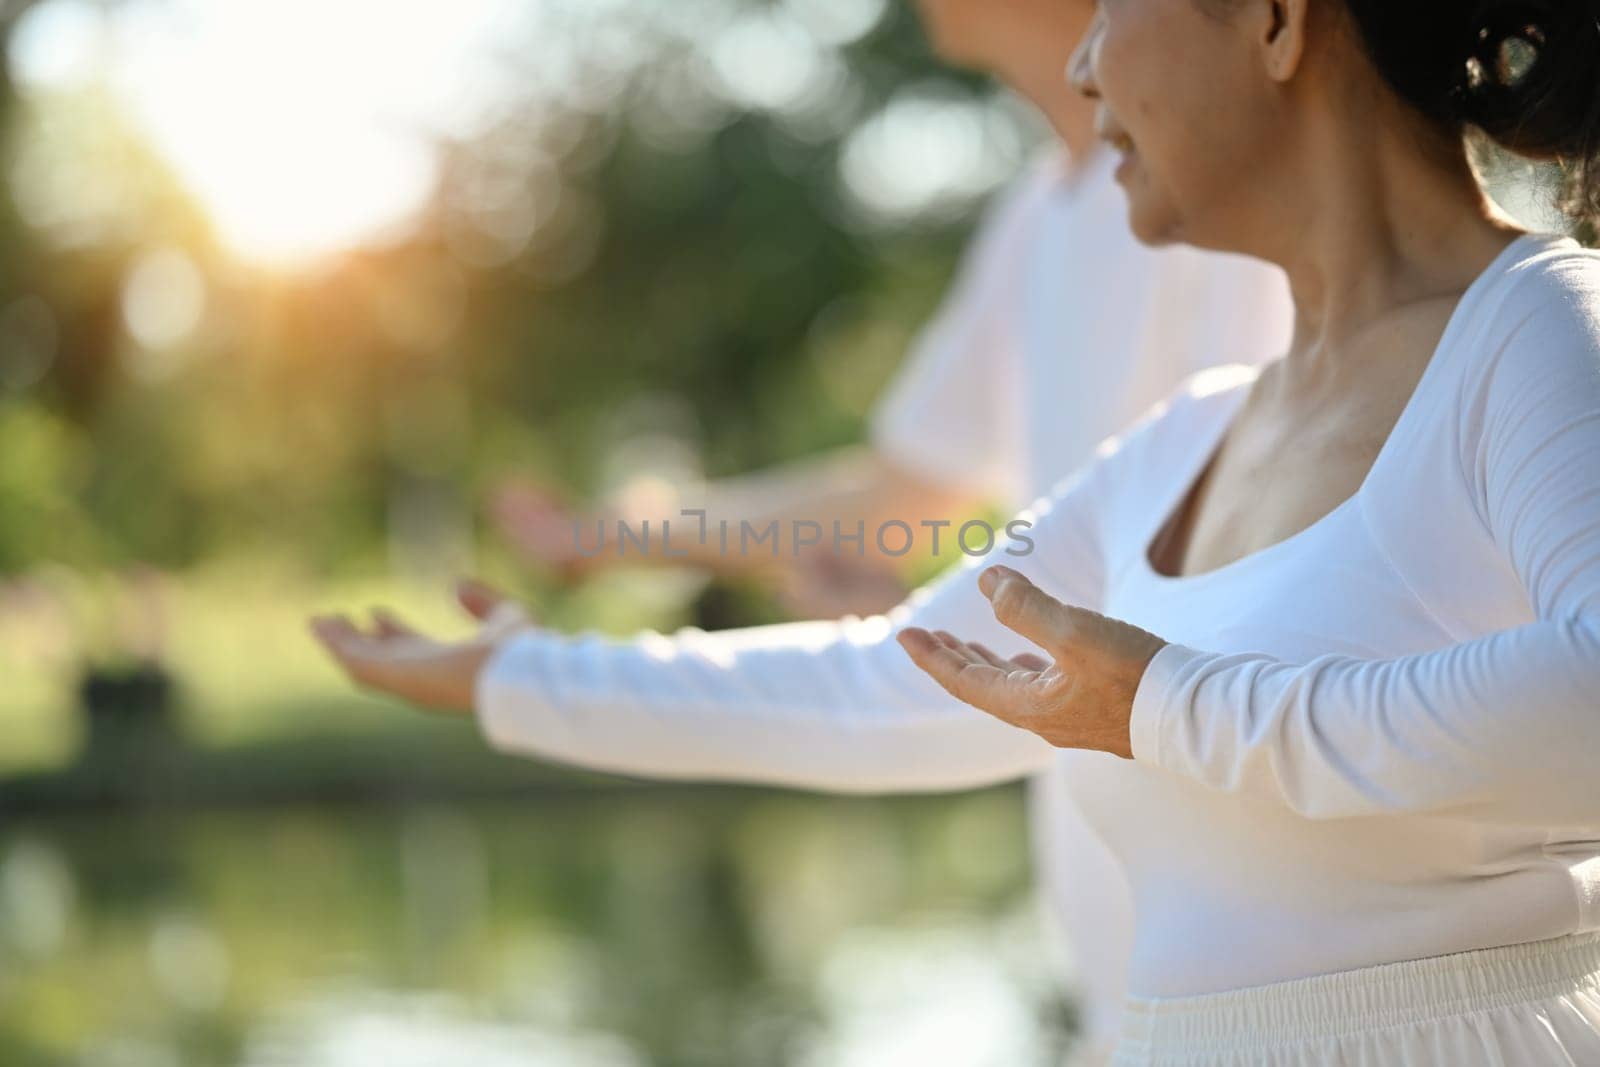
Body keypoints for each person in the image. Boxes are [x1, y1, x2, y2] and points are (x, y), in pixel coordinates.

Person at [313, 0, 1600, 1063]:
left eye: (1115, 7)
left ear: (1272, 20)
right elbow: (897, 681)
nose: (1086, 62)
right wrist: (525, 675)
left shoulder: (1538, 335)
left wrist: (1170, 706)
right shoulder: (1184, 442)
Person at [489, 2, 1291, 1059]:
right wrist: (616, 538)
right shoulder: (1037, 213)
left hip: (1260, 965)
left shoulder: (1212, 196)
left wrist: (955, 636)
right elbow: (903, 495)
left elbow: (1245, 538)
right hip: (1122, 973)